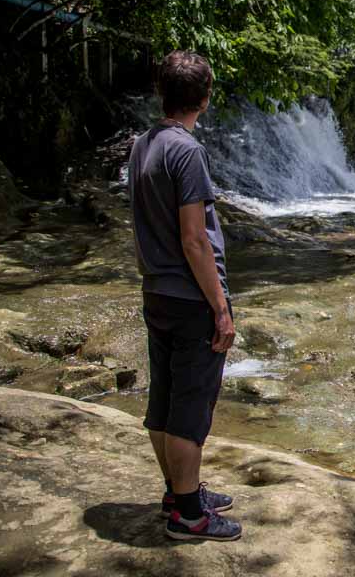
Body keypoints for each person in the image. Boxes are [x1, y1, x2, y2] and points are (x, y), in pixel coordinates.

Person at [127, 50, 242, 541]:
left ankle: (180, 492)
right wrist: (220, 306)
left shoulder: (141, 145)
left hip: (157, 290)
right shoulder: (187, 151)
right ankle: (189, 517)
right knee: (191, 407)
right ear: (204, 97)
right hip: (192, 297)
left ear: (163, 94)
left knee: (165, 400)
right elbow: (195, 238)